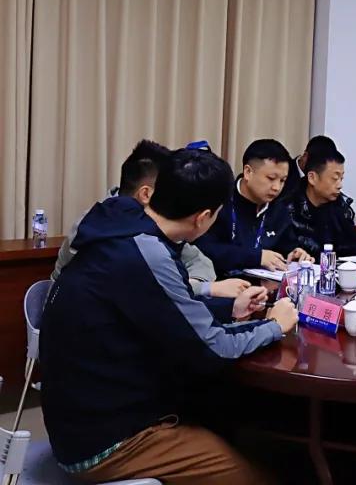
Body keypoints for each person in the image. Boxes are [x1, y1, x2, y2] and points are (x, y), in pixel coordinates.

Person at [40, 148, 299, 484]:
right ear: (203, 217)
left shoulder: (121, 225)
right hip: (107, 439)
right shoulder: (145, 252)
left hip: (82, 414)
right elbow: (213, 348)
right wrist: (274, 326)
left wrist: (230, 309)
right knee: (260, 474)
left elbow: (165, 306)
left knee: (229, 415)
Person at [53, 140, 248, 299]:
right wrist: (203, 288)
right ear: (146, 194)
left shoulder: (155, 224)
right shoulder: (95, 226)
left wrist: (189, 286)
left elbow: (200, 261)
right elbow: (140, 291)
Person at [194, 139, 310, 275]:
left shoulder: (278, 210)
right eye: (271, 178)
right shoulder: (219, 200)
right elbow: (203, 248)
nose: (277, 187)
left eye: (282, 180)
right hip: (219, 282)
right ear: (248, 172)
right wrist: (256, 257)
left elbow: (286, 247)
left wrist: (295, 254)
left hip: (264, 285)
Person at [287, 147, 356, 257]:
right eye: (334, 178)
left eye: (341, 179)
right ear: (312, 178)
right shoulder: (289, 208)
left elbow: (355, 251)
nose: (340, 185)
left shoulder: (342, 207)